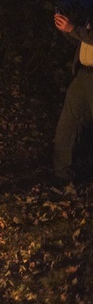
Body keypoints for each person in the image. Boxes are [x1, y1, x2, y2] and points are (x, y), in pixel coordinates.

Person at [53, 11, 93, 183]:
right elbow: (83, 41)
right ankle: (63, 175)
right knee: (68, 124)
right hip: (83, 75)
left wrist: (74, 29)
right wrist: (66, 29)